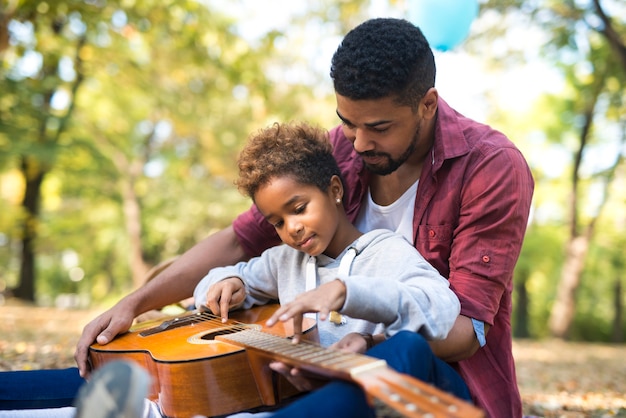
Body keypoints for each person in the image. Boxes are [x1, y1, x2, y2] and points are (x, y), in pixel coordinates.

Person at [1, 17, 534, 418]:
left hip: (437, 380)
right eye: (347, 122)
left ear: (427, 104)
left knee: (403, 348)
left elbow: (464, 331)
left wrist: (358, 339)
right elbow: (239, 243)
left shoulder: (489, 167)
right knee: (140, 373)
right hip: (313, 370)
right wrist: (138, 302)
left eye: (378, 127)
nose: (359, 142)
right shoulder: (338, 153)